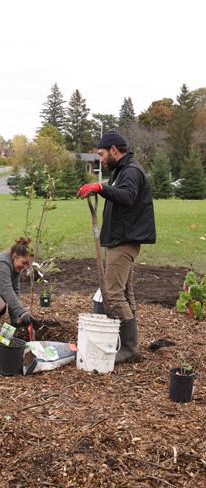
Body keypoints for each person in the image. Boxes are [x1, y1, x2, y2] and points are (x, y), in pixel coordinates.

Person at [77, 131, 156, 363]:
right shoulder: (123, 170)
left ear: (113, 150)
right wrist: (100, 186)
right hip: (121, 239)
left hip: (124, 242)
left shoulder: (130, 171)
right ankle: (127, 345)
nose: (100, 159)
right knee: (123, 292)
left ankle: (128, 348)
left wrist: (100, 188)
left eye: (101, 154)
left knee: (112, 293)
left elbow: (128, 196)